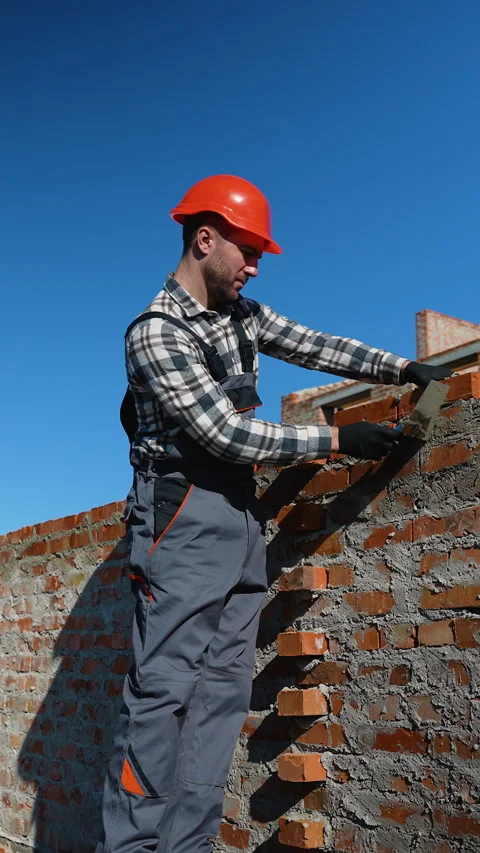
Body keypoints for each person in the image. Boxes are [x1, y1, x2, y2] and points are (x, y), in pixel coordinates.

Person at [96, 175, 452, 853]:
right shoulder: (155, 333)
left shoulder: (245, 317)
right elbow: (224, 435)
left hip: (237, 519)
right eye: (248, 250)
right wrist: (339, 439)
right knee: (160, 699)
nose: (255, 266)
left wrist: (404, 371)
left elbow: (318, 346)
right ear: (205, 239)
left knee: (220, 702)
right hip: (179, 518)